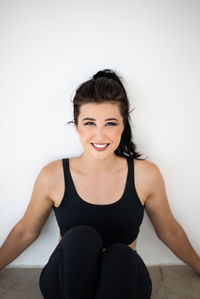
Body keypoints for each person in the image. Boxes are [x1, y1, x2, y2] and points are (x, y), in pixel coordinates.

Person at [0, 69, 199, 299]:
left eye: (110, 123)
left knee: (120, 255)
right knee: (81, 237)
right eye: (89, 123)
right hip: (66, 282)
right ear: (76, 125)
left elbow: (170, 231)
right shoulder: (53, 175)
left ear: (123, 125)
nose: (100, 135)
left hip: (123, 280)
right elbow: (26, 231)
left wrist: (198, 264)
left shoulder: (146, 175)